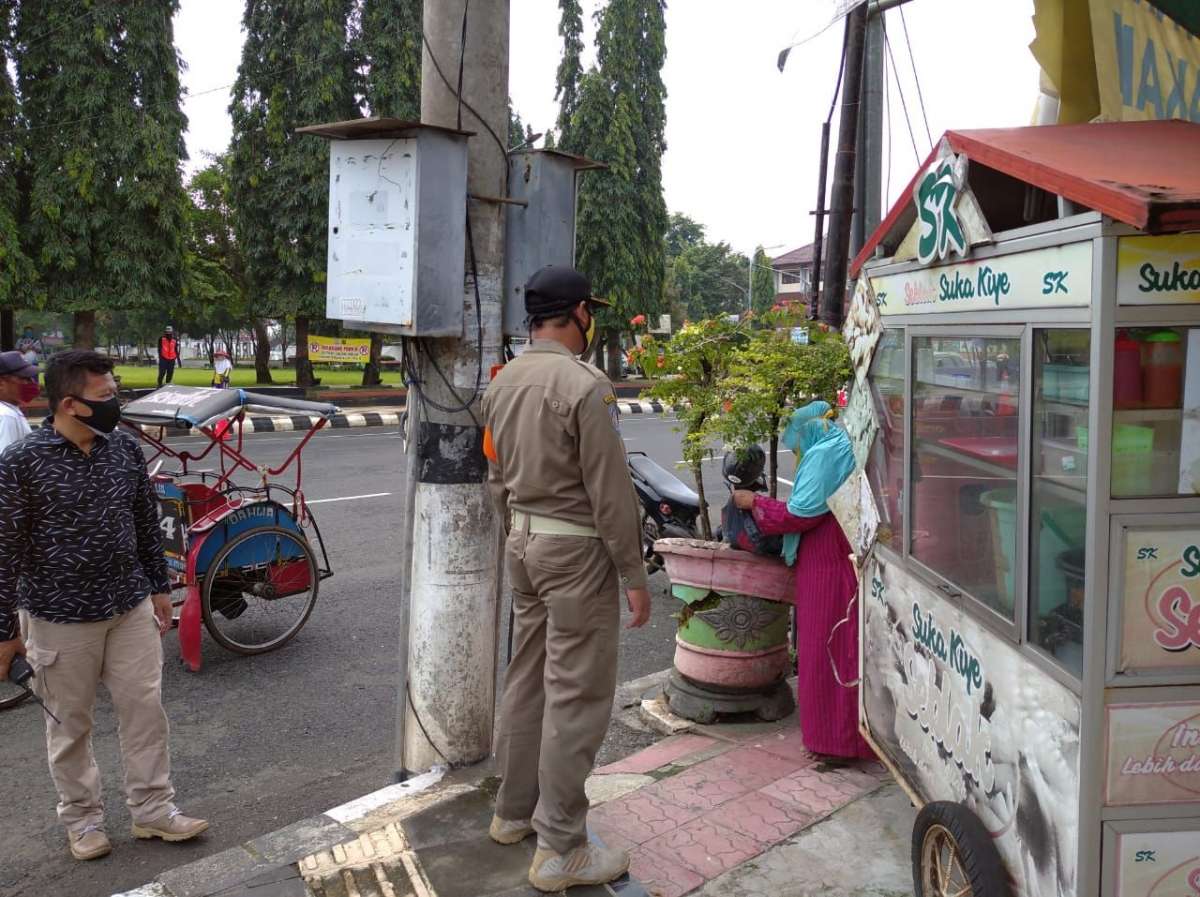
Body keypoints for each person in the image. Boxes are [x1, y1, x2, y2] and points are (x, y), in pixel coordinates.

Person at [0, 351, 209, 861]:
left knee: (145, 711)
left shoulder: (124, 450)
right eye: (106, 397)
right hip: (58, 619)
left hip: (129, 607)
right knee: (70, 726)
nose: (116, 403)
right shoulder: (21, 463)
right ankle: (83, 821)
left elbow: (144, 522)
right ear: (69, 403)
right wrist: (6, 630)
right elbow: (3, 551)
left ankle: (154, 810)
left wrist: (159, 588)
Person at [482, 265, 651, 893]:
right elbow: (610, 492)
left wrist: (517, 534)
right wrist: (634, 572)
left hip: (523, 543)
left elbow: (495, 476)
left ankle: (511, 813)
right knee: (576, 696)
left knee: (525, 677)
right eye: (590, 313)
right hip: (575, 551)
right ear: (579, 313)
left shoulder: (503, 383)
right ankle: (560, 848)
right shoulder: (586, 385)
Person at [731, 400, 874, 761]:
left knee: (827, 652)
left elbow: (799, 514)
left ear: (807, 431)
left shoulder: (826, 455)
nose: (796, 451)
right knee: (832, 650)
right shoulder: (840, 443)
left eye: (796, 443)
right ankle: (843, 738)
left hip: (829, 570)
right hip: (831, 564)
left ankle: (836, 743)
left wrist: (754, 502)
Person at [0, 350, 39, 454]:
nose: (31, 383)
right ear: (1, 383)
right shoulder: (6, 415)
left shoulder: (9, 409)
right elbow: (5, 464)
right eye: (25, 378)